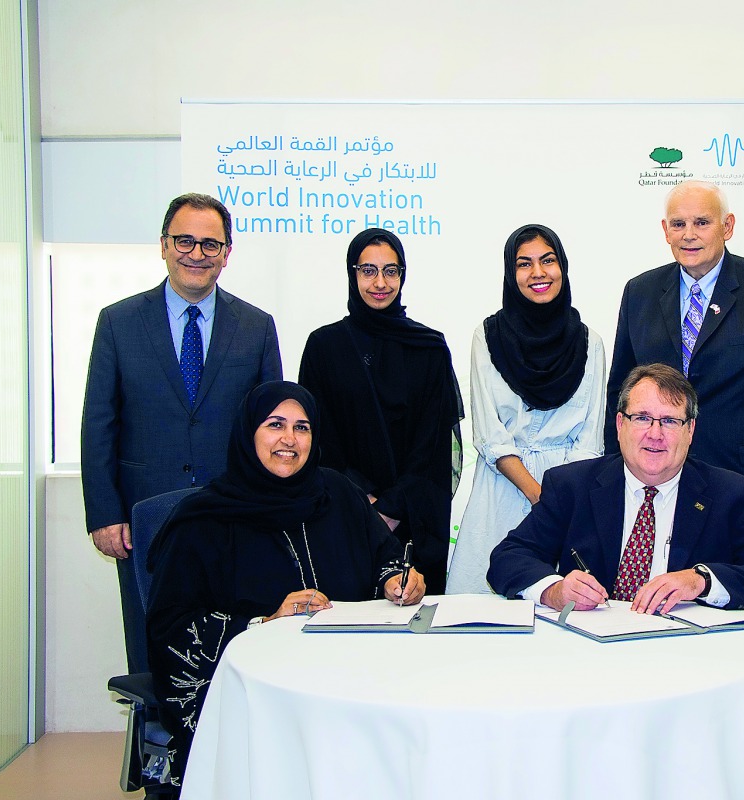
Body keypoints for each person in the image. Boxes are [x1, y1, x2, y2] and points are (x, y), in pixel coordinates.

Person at [146, 381, 424, 792]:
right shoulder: (203, 521)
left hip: (353, 677)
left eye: (302, 427)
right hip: (258, 693)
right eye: (275, 425)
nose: (289, 440)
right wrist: (264, 620)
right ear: (249, 432)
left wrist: (397, 580)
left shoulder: (339, 494)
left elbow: (385, 557)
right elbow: (171, 629)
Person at [81, 192, 281, 673]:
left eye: (210, 244)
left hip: (232, 516)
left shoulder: (256, 327)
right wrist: (105, 513)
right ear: (164, 245)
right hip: (142, 519)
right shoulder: (119, 322)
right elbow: (98, 423)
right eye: (185, 241)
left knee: (232, 643)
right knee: (150, 645)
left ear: (227, 253)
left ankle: (221, 745)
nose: (197, 253)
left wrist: (271, 509)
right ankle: (154, 747)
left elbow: (273, 431)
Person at [605, 180, 744, 546]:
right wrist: (614, 474)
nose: (689, 235)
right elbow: (621, 390)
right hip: (661, 483)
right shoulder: (639, 292)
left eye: (702, 222)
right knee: (670, 594)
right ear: (665, 231)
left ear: (728, 226)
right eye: (678, 224)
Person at [488, 363, 744, 619]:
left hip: (688, 659)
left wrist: (701, 580)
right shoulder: (571, 486)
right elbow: (507, 558)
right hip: (591, 655)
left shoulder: (735, 495)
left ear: (690, 431)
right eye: (643, 418)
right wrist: (553, 591)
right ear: (620, 425)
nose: (655, 434)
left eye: (670, 421)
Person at [298, 228, 463, 595]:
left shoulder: (429, 347)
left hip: (414, 521)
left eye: (391, 271)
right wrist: (363, 504)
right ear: (352, 273)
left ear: (403, 276)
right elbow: (318, 438)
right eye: (368, 270)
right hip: (344, 518)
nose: (380, 282)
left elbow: (434, 444)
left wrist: (392, 507)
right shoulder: (324, 346)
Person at [446, 224, 606, 594]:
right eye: (524, 264)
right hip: (503, 488)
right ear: (509, 273)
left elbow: (589, 439)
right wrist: (539, 495)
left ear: (562, 267)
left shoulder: (590, 343)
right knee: (484, 611)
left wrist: (557, 499)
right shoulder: (486, 337)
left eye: (547, 261)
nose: (538, 273)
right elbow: (490, 435)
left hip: (570, 493)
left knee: (569, 607)